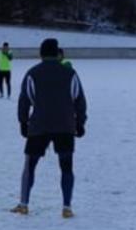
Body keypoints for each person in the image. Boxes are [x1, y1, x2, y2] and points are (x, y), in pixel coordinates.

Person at [13, 39, 88, 218]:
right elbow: (79, 99)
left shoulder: (33, 73)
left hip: (39, 125)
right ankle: (67, 207)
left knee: (30, 165)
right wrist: (80, 122)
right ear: (57, 53)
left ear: (41, 53)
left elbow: (25, 99)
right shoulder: (70, 73)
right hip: (65, 125)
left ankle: (24, 204)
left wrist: (23, 122)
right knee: (66, 166)